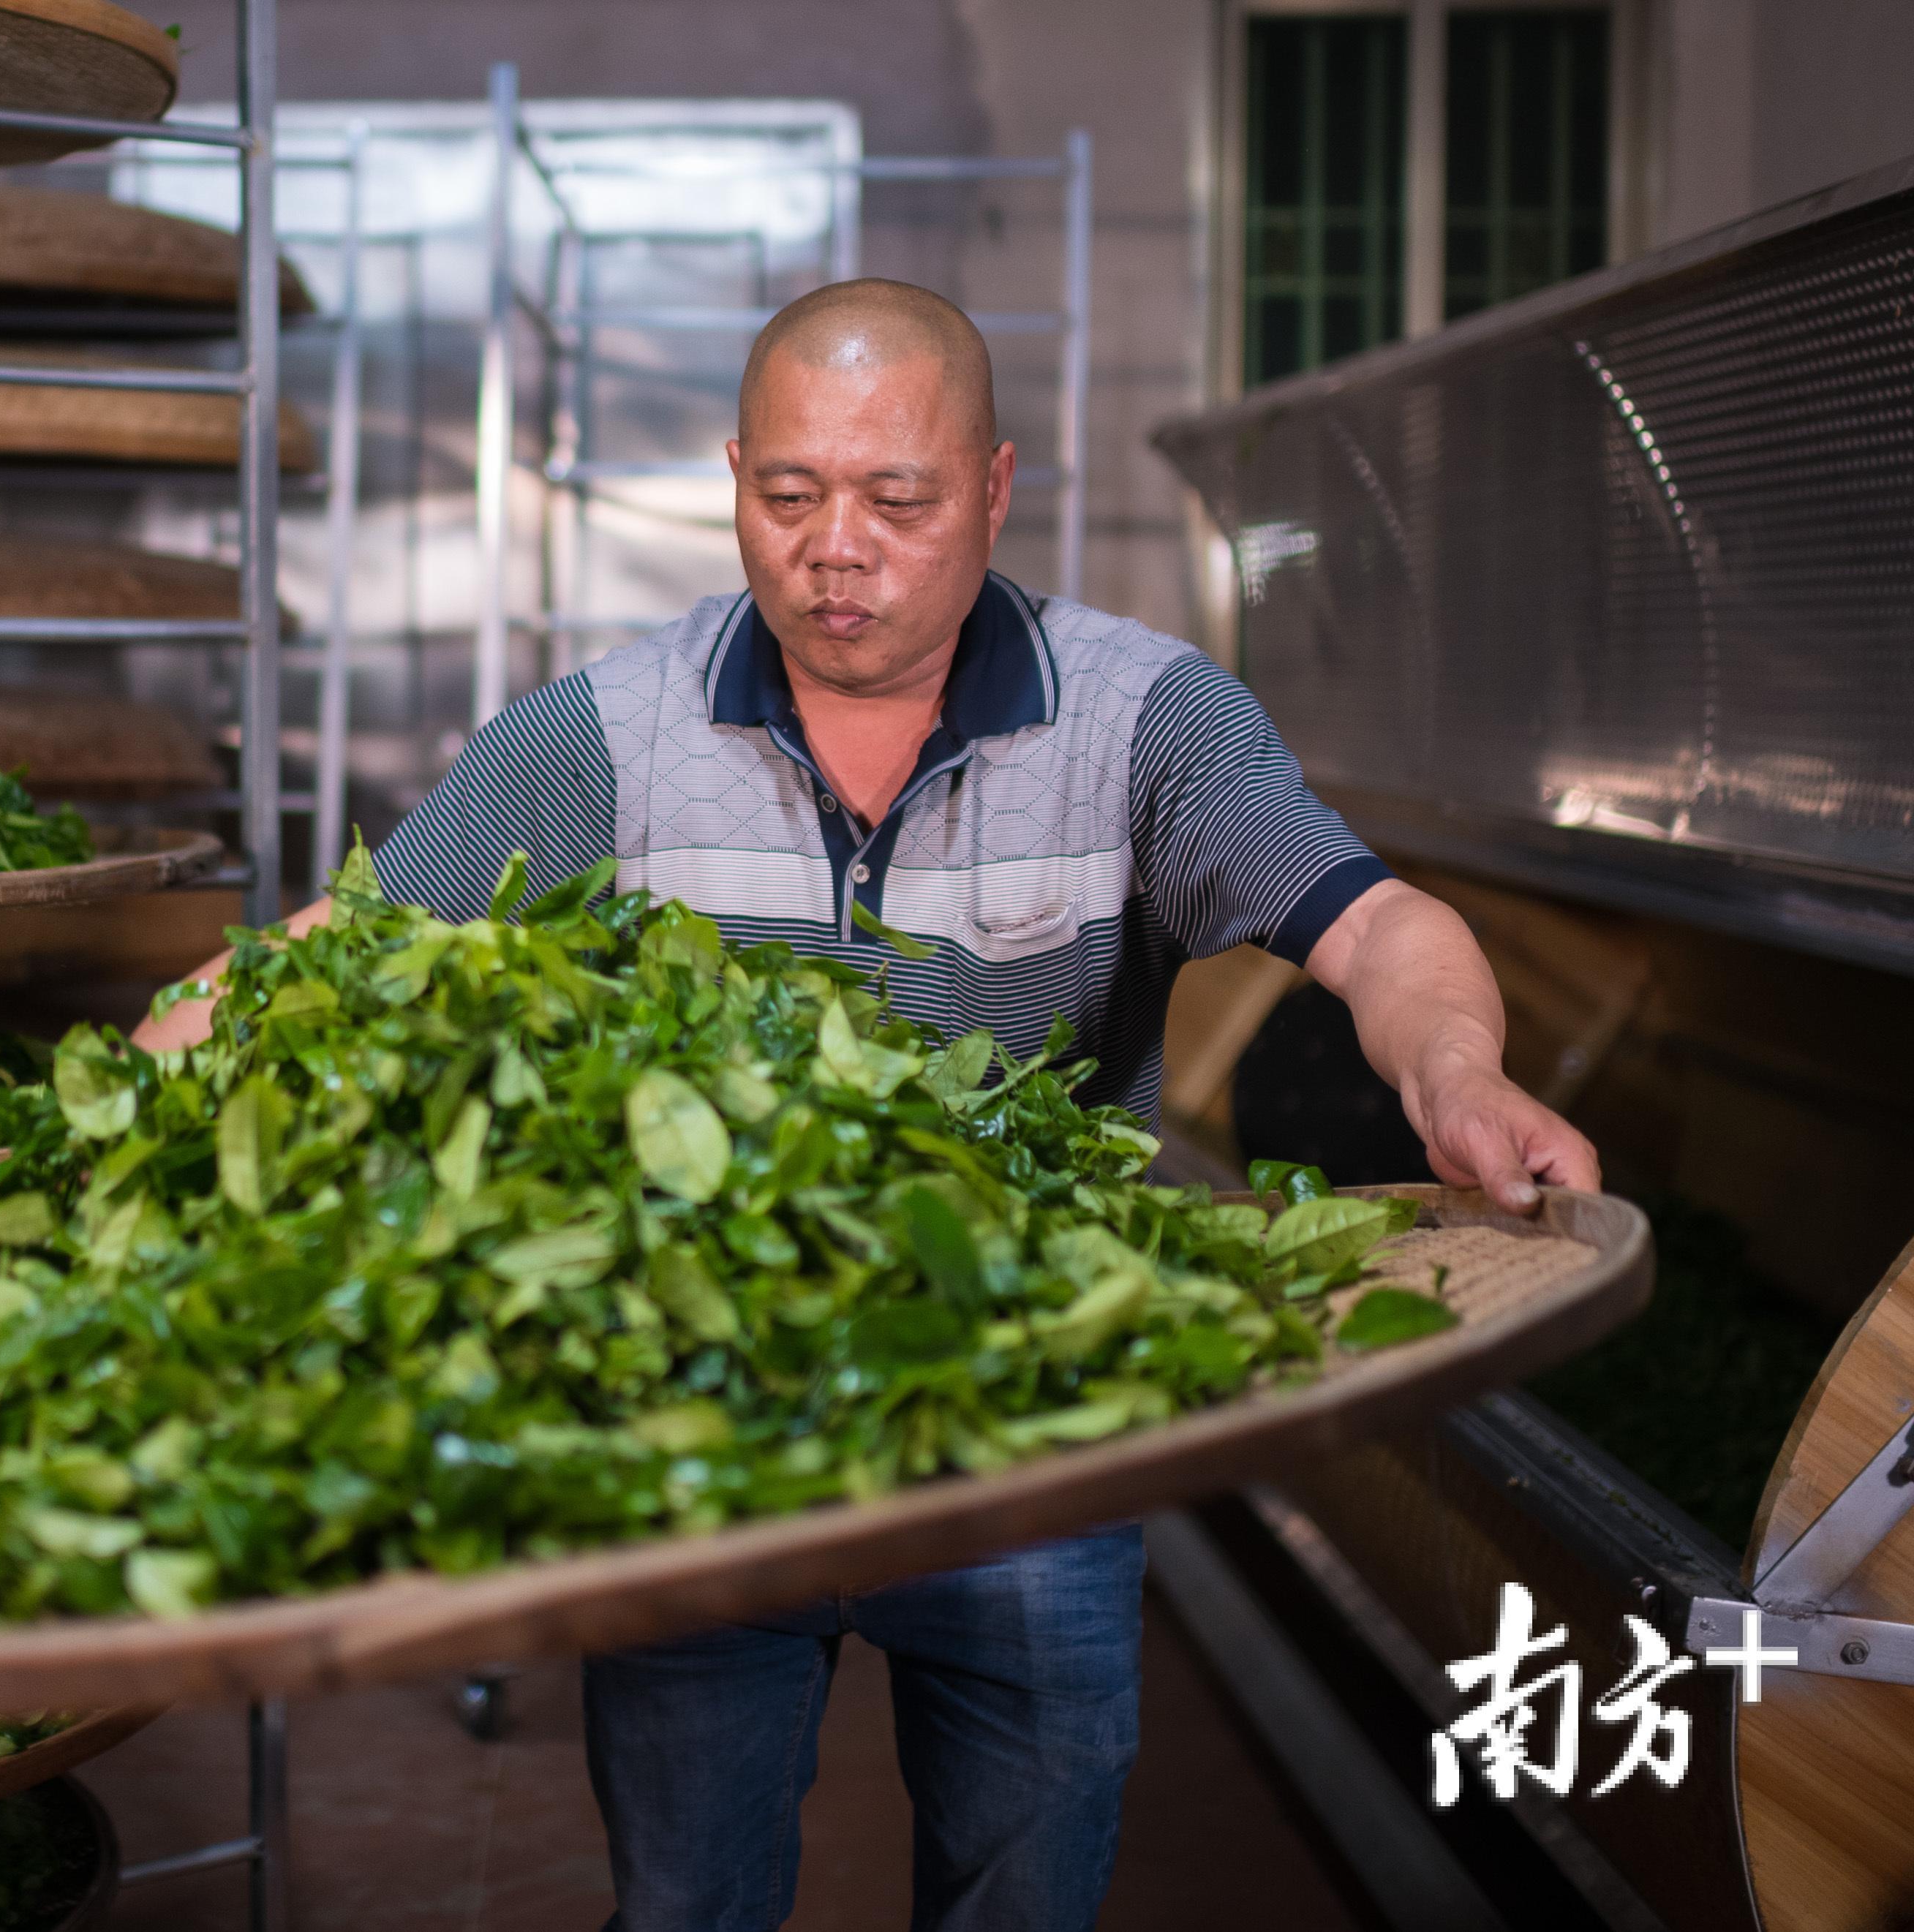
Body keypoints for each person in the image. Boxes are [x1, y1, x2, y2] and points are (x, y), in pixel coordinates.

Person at [132, 278, 1600, 1932]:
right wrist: (139, 1082)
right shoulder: (609, 737)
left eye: (897, 501)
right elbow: (337, 956)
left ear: (993, 486)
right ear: (733, 477)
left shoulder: (1141, 721)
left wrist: (1456, 1072)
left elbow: (1374, 927)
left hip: (1032, 1444)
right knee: (685, 1906)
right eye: (788, 495)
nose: (836, 550)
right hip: (702, 1444)